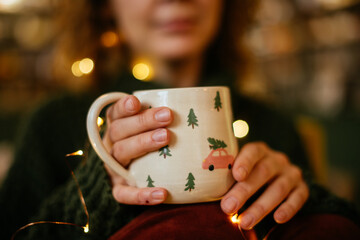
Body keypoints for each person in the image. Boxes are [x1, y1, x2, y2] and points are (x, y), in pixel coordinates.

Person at [0, 0, 359, 239]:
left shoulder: (275, 126)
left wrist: (302, 200)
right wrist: (97, 188)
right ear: (106, 6)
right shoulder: (52, 125)